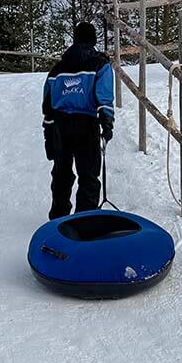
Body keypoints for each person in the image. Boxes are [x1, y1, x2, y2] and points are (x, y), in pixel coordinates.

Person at [42, 21, 114, 219]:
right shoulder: (100, 64)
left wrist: (49, 137)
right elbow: (104, 97)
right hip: (86, 124)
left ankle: (58, 218)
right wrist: (107, 123)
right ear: (93, 40)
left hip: (60, 125)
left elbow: (47, 107)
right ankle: (85, 220)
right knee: (88, 175)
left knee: (61, 174)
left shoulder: (56, 70)